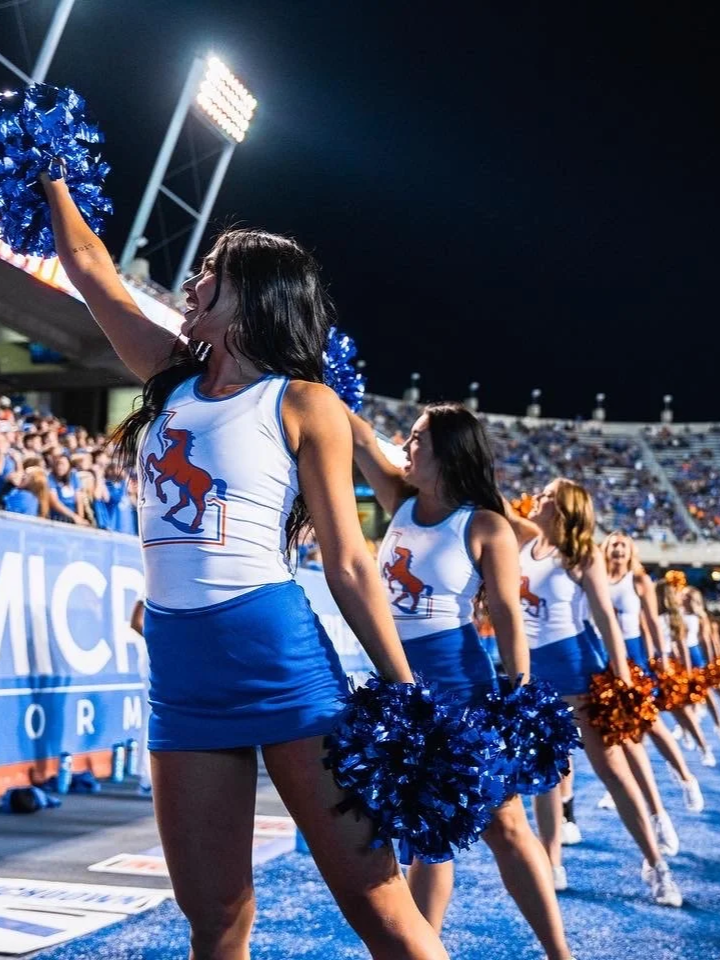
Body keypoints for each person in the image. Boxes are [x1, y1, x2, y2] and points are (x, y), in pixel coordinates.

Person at [42, 172, 449, 960]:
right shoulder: (169, 379)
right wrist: (50, 172)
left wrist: (407, 694)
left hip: (282, 664)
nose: (191, 284)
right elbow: (90, 269)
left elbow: (350, 566)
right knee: (216, 923)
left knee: (380, 909)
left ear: (253, 298)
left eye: (210, 273)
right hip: (182, 675)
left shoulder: (303, 403)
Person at [347, 403, 575, 960]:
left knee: (506, 826)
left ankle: (559, 953)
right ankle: (423, 951)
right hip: (399, 692)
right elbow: (355, 434)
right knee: (426, 834)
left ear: (448, 452)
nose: (407, 443)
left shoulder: (484, 524)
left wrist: (516, 700)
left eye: (419, 437)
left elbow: (508, 617)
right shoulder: (399, 500)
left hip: (462, 691)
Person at [505, 479, 683, 907]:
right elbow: (494, 501)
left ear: (563, 509)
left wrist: (622, 684)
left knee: (614, 774)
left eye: (546, 496)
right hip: (536, 680)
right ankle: (552, 863)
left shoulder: (582, 555)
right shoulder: (526, 543)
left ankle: (655, 864)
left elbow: (605, 620)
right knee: (545, 778)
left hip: (580, 677)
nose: (537, 498)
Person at [598, 533, 704, 820]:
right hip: (604, 658)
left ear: (631, 550)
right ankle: (618, 785)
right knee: (616, 731)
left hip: (634, 658)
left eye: (623, 544)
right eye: (613, 544)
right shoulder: (596, 577)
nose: (618, 548)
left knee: (651, 724)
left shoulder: (638, 581)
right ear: (605, 549)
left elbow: (652, 623)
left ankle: (685, 777)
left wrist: (662, 657)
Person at [656, 580, 716, 765]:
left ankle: (704, 741)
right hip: (658, 665)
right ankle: (687, 734)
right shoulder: (652, 614)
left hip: (678, 662)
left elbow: (685, 643)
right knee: (673, 708)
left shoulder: (678, 617)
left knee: (693, 700)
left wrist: (690, 670)